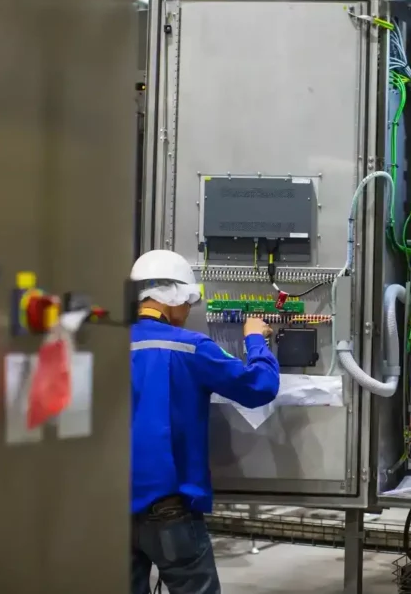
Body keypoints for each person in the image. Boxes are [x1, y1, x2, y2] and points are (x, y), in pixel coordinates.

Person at [129, 249, 280, 594]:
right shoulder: (191, 347)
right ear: (171, 298)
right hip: (169, 513)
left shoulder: (105, 343)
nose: (186, 313)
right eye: (186, 303)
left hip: (109, 506)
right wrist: (256, 338)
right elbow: (260, 387)